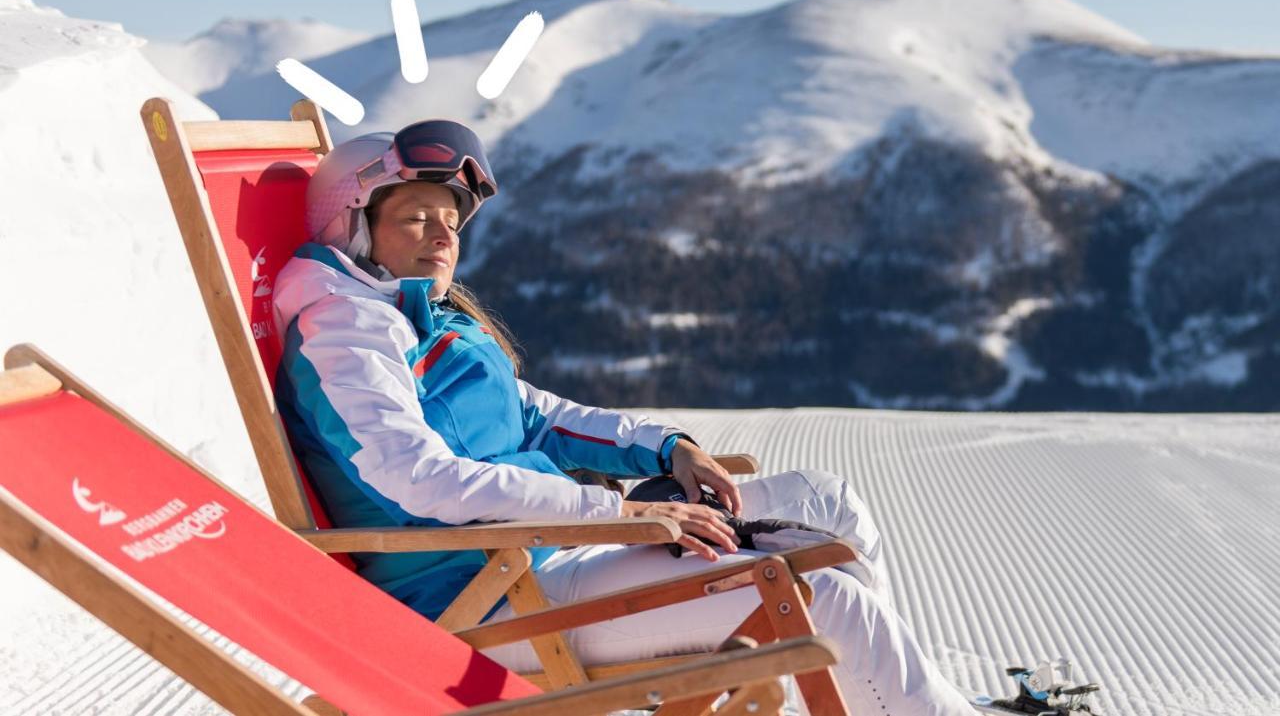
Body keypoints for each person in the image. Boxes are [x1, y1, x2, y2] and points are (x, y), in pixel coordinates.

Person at [273, 119, 976, 715]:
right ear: (354, 225)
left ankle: (896, 694)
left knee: (823, 500)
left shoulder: (423, 316)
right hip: (485, 595)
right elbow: (416, 478)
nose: (442, 236)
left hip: (550, 545)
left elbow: (535, 416)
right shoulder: (346, 335)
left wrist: (666, 450)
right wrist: (612, 511)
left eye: (451, 221)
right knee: (821, 598)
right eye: (417, 217)